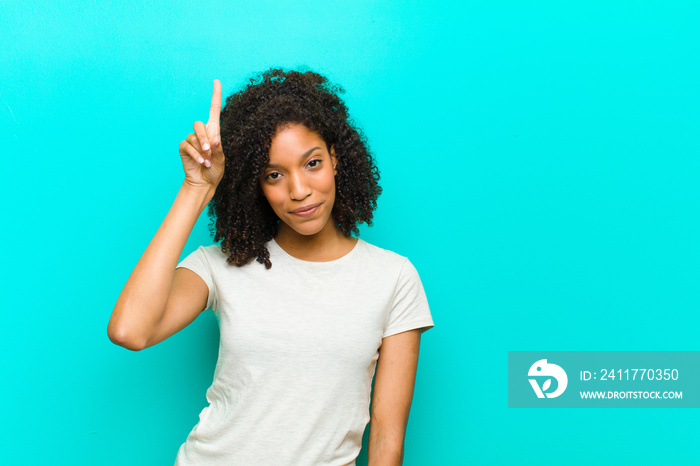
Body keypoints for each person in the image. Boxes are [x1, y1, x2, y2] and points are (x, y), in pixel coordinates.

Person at [108, 69, 434, 466]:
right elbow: (130, 331)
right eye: (274, 175)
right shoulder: (220, 264)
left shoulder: (393, 277)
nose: (298, 190)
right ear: (256, 185)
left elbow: (386, 440)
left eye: (312, 163)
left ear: (335, 157)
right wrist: (197, 188)